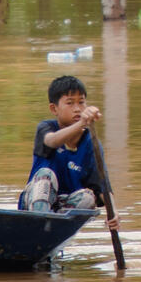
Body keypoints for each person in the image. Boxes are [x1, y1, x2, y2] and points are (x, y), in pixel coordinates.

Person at [18, 75, 118, 230]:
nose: (77, 108)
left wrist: (114, 213)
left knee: (88, 197)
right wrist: (81, 123)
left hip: (62, 209)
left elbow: (103, 188)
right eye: (70, 103)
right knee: (46, 175)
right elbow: (52, 141)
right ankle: (39, 226)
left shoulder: (90, 143)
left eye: (81, 102)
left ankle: (53, 230)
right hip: (33, 204)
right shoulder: (46, 128)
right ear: (54, 108)